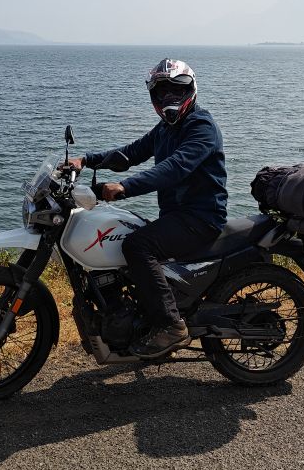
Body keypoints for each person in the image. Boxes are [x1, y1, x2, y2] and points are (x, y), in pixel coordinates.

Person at [68, 58, 228, 358]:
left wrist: (126, 187)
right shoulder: (165, 129)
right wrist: (86, 160)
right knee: (128, 236)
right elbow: (130, 153)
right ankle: (143, 321)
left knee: (137, 245)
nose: (169, 98)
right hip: (178, 215)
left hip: (201, 218)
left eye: (175, 91)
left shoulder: (201, 126)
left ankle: (171, 326)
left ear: (190, 90)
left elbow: (174, 168)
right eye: (162, 92)